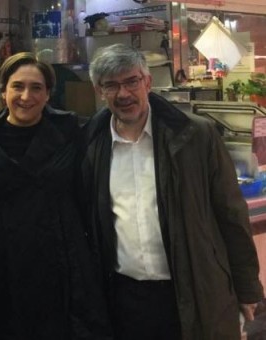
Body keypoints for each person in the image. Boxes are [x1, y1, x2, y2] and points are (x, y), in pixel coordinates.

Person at [82, 43, 264, 340]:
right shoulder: (91, 144)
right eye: (111, 85)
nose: (124, 94)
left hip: (193, 288)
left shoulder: (195, 136)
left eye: (131, 81)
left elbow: (231, 214)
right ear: (98, 90)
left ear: (148, 82)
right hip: (124, 297)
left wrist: (247, 287)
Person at [0, 52, 110, 339]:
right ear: (4, 91)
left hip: (58, 267)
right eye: (17, 86)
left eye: (36, 88)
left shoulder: (71, 130)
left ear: (48, 94)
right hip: (1, 268)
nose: (26, 96)